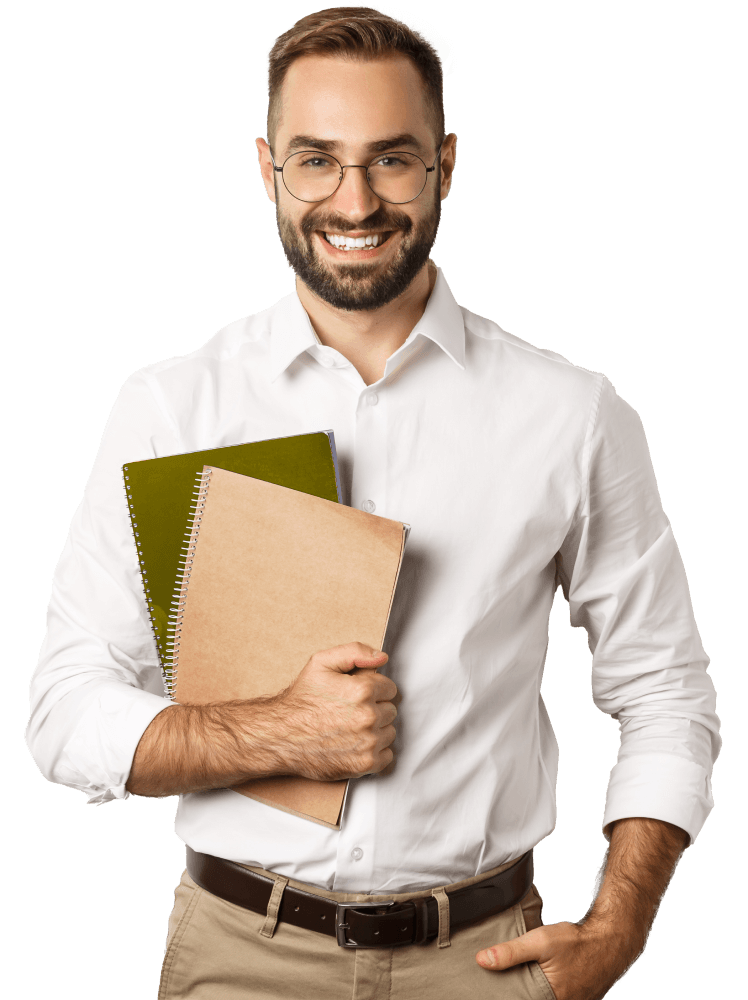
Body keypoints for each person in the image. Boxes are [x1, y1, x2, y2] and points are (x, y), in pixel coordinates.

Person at [25, 7, 720, 999]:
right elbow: (66, 710)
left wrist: (617, 931)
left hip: (483, 961)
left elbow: (664, 691)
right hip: (239, 956)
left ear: (444, 162)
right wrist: (276, 732)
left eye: (390, 159)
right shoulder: (172, 406)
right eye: (317, 160)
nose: (353, 200)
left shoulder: (572, 413)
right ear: (268, 168)